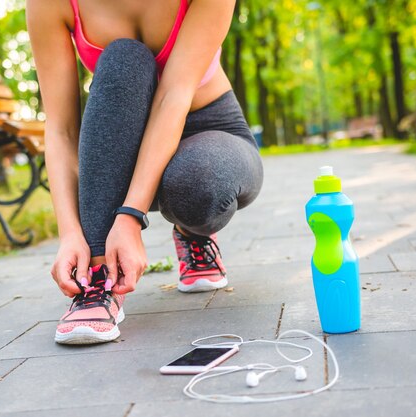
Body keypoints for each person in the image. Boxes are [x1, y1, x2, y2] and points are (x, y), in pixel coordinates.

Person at [27, 0, 264, 345]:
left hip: (209, 130)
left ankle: (192, 231)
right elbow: (61, 128)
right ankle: (98, 277)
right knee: (123, 57)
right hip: (122, 140)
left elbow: (174, 96)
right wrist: (70, 234)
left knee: (199, 181)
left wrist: (130, 217)